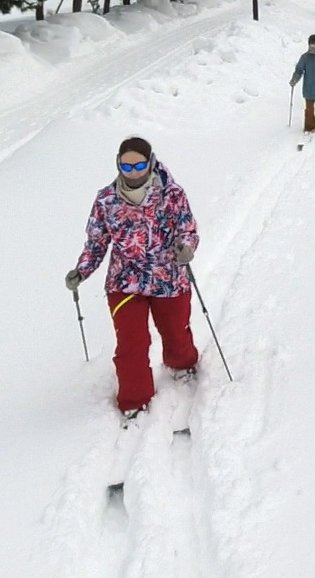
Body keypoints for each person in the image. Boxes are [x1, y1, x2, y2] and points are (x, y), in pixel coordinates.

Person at [65, 136, 201, 420]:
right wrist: (82, 270)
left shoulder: (172, 194)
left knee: (176, 332)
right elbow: (96, 242)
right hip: (124, 281)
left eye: (139, 165)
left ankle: (181, 364)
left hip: (169, 278)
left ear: (150, 163)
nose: (133, 172)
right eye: (126, 167)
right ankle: (134, 401)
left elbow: (187, 229)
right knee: (131, 344)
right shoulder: (106, 199)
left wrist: (186, 248)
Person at [290, 34, 315, 134]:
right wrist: (295, 79)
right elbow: (299, 70)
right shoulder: (305, 57)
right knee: (309, 110)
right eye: (311, 46)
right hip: (309, 89)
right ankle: (310, 126)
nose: (313, 48)